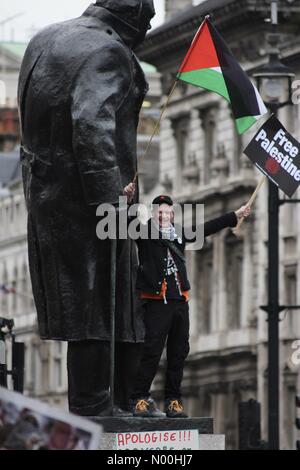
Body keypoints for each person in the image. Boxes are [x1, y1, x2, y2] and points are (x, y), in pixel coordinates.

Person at [18, 0, 155, 416]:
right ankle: (97, 404)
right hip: (90, 197)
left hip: (46, 193)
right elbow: (92, 124)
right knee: (101, 301)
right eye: (146, 24)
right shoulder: (107, 51)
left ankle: (106, 400)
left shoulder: (46, 37)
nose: (145, 34)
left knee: (83, 301)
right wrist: (111, 204)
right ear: (133, 18)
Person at [123, 185, 251, 418]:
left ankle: (174, 401)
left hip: (180, 301)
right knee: (152, 351)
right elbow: (129, 223)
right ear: (153, 215)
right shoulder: (146, 235)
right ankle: (139, 397)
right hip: (156, 302)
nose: (163, 216)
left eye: (167, 212)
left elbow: (206, 229)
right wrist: (129, 201)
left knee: (178, 352)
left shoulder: (179, 235)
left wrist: (235, 216)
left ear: (172, 215)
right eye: (159, 212)